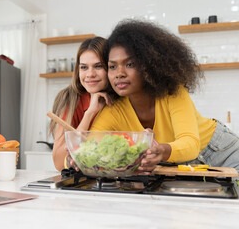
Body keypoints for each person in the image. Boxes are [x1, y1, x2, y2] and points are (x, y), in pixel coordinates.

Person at [90, 19, 239, 173]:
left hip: (221, 152)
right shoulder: (114, 110)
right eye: (113, 66)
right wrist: (74, 159)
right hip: (183, 165)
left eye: (130, 64)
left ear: (148, 65)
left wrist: (161, 151)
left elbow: (191, 143)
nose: (119, 74)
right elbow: (90, 147)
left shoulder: (172, 93)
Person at [49, 37, 118, 171]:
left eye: (98, 66)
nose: (90, 74)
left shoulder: (122, 98)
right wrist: (89, 113)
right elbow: (58, 162)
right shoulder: (69, 99)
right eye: (84, 67)